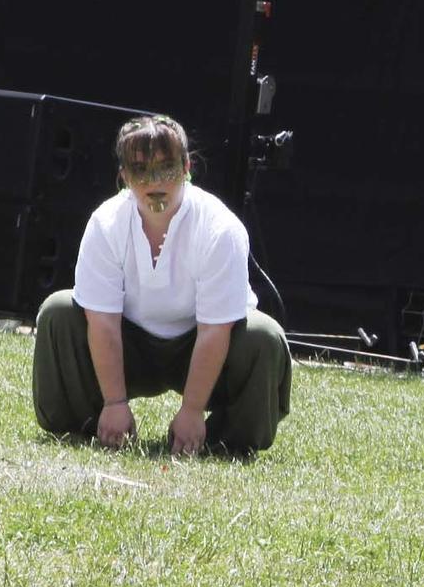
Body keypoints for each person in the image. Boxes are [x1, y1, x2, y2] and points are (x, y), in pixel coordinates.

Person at [31, 115, 291, 456]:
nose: (154, 182)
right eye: (140, 170)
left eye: (165, 168)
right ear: (123, 176)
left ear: (187, 167)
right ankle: (84, 424)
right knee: (59, 311)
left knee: (264, 336)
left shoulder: (220, 228)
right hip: (129, 346)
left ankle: (226, 440)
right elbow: (103, 322)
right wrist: (115, 402)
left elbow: (215, 331)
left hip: (201, 344)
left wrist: (192, 410)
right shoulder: (106, 223)